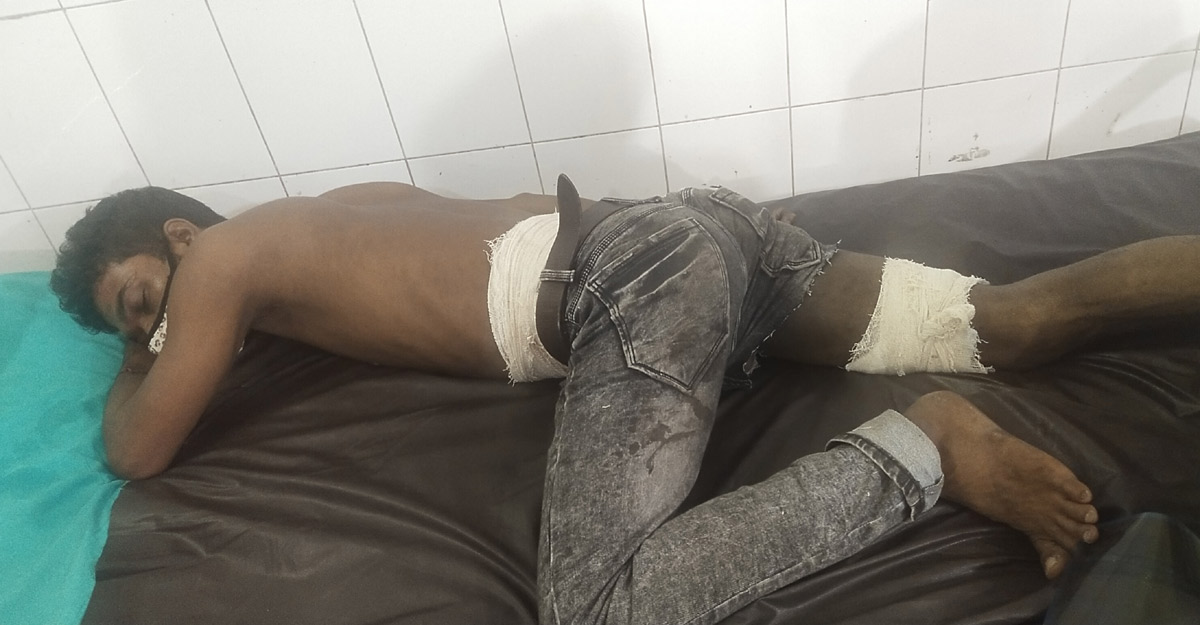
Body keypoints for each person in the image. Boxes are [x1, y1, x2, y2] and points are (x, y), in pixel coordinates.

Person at [49, 178, 1197, 625]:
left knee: (598, 607)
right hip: (693, 232)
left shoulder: (225, 258)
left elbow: (139, 449)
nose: (152, 332)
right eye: (134, 330)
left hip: (630, 284)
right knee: (1011, 322)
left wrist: (137, 359)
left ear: (181, 235)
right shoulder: (334, 212)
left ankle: (923, 447)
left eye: (139, 302)